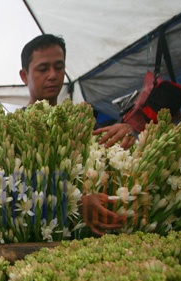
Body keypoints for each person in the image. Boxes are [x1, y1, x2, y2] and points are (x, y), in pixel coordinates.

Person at [19, 33, 132, 236]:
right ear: (24, 75)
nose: (53, 75)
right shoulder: (12, 128)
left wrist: (126, 130)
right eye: (43, 69)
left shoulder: (81, 122)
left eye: (59, 67)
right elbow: (17, 192)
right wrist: (75, 202)